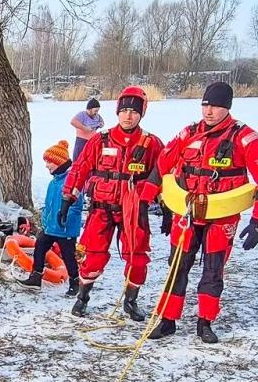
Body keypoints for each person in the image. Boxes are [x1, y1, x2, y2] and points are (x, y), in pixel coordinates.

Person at [149, 82, 258, 343]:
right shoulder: (188, 134)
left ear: (227, 108)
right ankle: (168, 320)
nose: (209, 111)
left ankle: (205, 322)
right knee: (177, 267)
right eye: (206, 105)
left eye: (215, 106)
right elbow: (162, 164)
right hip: (187, 212)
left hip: (222, 216)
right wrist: (146, 203)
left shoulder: (244, 138)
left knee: (213, 270)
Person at [61, 86, 163, 320]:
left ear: (141, 114)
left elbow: (165, 175)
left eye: (134, 112)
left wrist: (166, 207)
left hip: (134, 210)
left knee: (137, 256)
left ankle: (131, 301)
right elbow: (80, 168)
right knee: (92, 255)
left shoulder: (152, 144)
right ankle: (82, 298)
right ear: (117, 112)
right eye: (124, 110)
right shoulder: (100, 139)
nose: (128, 115)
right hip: (101, 209)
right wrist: (68, 197)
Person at [18, 140, 83, 296]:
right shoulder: (53, 182)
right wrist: (45, 221)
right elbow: (48, 205)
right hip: (50, 227)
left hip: (65, 228)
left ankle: (75, 282)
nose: (47, 165)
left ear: (59, 163)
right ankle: (36, 277)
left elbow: (75, 207)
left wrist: (66, 220)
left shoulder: (72, 181)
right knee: (39, 247)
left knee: (69, 256)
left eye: (49, 162)